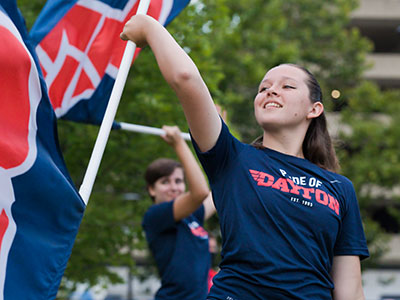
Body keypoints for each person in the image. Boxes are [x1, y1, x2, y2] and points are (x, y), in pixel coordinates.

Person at [121, 15, 369, 300]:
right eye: (263, 87)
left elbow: (350, 288)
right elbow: (186, 79)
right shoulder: (231, 158)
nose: (270, 90)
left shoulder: (339, 188)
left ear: (314, 109)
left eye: (287, 86)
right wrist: (151, 28)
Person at [142, 125, 216, 300]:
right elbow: (200, 192)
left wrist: (216, 140)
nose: (174, 187)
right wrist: (179, 144)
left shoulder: (192, 217)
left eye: (178, 181)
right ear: (152, 190)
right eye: (165, 182)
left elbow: (219, 190)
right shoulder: (155, 216)